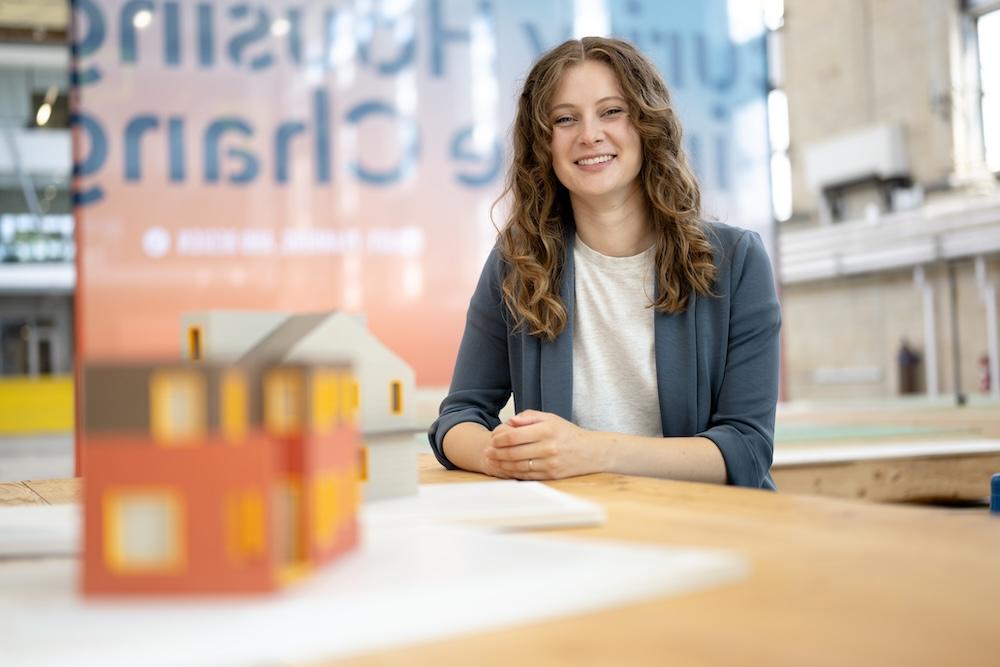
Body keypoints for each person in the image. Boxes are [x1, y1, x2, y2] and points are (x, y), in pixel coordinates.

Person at [428, 37, 781, 489]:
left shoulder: (737, 262)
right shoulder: (518, 264)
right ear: (544, 144)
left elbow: (746, 450)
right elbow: (460, 416)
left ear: (647, 125)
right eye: (564, 119)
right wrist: (498, 455)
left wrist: (590, 451)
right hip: (576, 531)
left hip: (707, 528)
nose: (589, 134)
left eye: (612, 111)